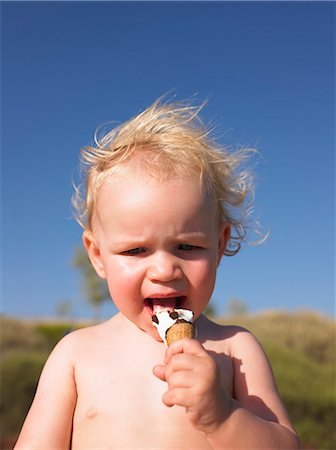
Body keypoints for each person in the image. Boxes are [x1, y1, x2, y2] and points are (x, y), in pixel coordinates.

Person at [15, 97, 300, 449]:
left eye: (188, 246)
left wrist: (223, 416)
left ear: (220, 242)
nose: (165, 270)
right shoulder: (75, 354)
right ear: (97, 255)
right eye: (135, 250)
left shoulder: (235, 350)